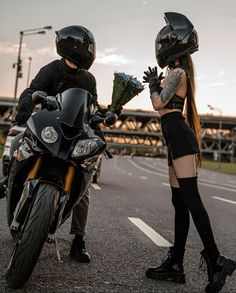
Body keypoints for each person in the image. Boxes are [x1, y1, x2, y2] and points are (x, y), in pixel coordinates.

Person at [0, 25, 117, 263]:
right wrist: (24, 109)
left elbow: (91, 107)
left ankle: (78, 240)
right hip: (49, 129)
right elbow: (33, 90)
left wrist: (106, 114)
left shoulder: (88, 79)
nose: (90, 52)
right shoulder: (52, 69)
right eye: (87, 47)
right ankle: (6, 180)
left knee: (83, 187)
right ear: (75, 47)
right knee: (18, 145)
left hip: (73, 137)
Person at [143, 12, 236, 293]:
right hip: (174, 139)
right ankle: (176, 263)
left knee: (191, 199)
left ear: (174, 45)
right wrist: (157, 84)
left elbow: (160, 105)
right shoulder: (176, 72)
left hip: (180, 139)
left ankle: (216, 260)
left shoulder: (179, 72)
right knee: (179, 201)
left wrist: (152, 86)